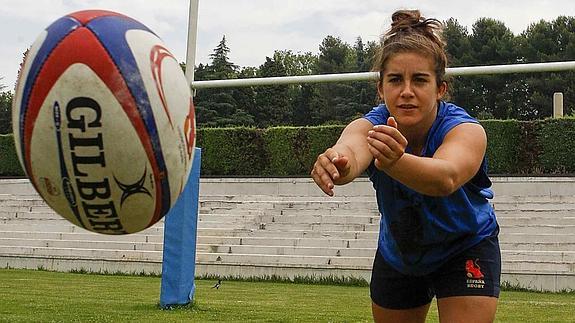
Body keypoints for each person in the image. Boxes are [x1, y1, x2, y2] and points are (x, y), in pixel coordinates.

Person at [310, 9, 500, 323]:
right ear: (380, 88)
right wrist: (335, 165)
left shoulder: (465, 130)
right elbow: (351, 154)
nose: (407, 91)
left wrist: (395, 162)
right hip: (401, 254)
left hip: (466, 246)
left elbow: (446, 178)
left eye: (420, 80)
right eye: (395, 80)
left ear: (440, 88)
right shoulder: (368, 126)